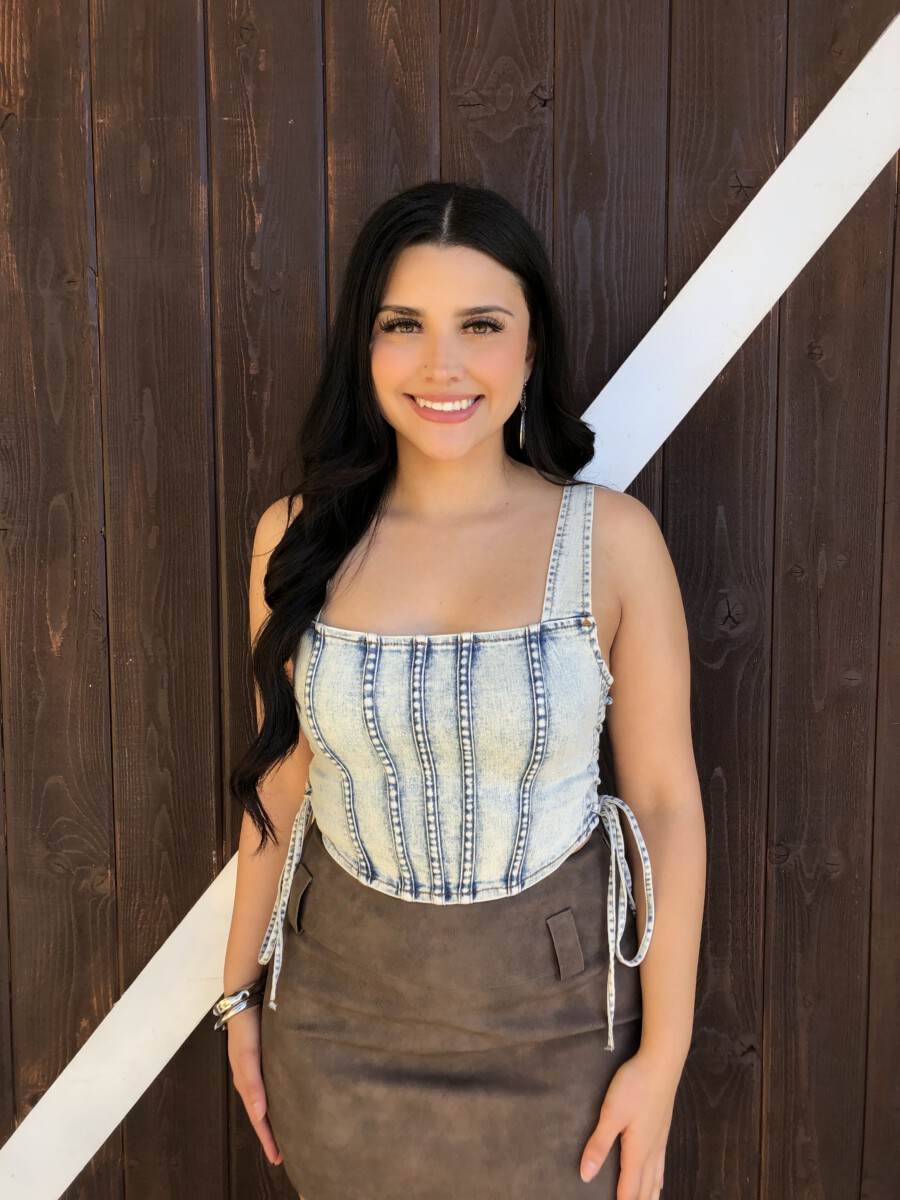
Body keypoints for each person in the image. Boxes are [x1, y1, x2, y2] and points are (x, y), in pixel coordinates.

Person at [213, 181, 706, 1199]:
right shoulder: (294, 540)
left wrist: (663, 1059)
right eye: (403, 325)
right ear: (365, 347)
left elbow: (663, 803)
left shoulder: (613, 544)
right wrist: (236, 998)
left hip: (563, 1026)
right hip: (337, 1025)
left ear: (532, 346)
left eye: (481, 324)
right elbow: (283, 782)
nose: (443, 364)